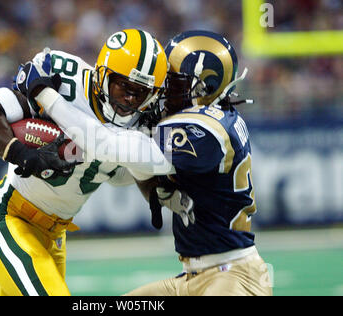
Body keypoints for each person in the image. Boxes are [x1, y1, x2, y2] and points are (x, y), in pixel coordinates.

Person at [32, 30, 272, 296]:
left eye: (175, 83)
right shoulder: (217, 117)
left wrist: (46, 95)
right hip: (195, 276)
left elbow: (107, 144)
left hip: (233, 276)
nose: (164, 91)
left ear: (205, 87)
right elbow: (135, 161)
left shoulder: (204, 128)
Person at [0, 28, 169, 296]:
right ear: (102, 75)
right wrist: (22, 154)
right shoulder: (65, 82)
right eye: (123, 86)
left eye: (140, 93)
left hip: (55, 237)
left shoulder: (145, 123)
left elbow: (122, 176)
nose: (129, 99)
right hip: (9, 216)